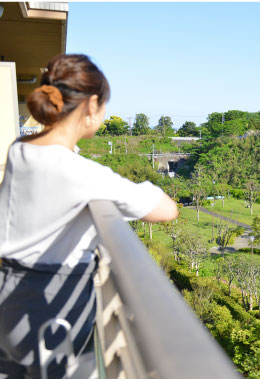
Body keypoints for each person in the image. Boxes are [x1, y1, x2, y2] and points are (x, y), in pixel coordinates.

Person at [0, 54, 178, 378]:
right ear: (91, 105)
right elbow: (166, 210)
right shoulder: (78, 173)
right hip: (51, 305)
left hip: (8, 292)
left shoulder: (19, 149)